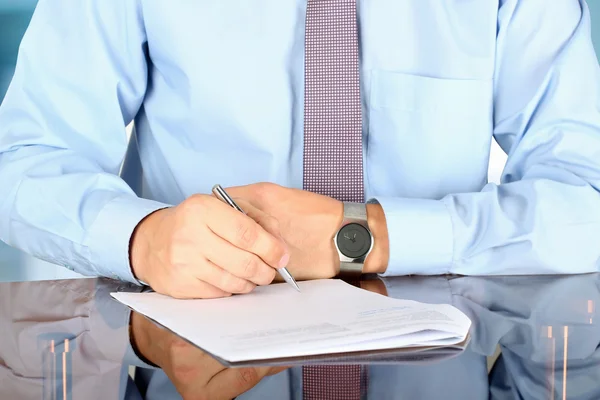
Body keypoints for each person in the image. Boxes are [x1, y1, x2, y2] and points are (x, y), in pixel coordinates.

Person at [1, 0, 600, 397]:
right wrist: (142, 238)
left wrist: (366, 235)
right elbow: (22, 159)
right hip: (191, 349)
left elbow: (587, 192)